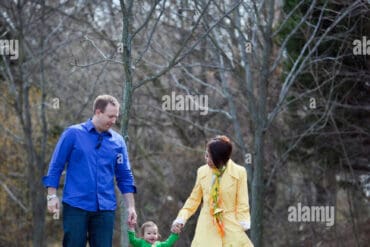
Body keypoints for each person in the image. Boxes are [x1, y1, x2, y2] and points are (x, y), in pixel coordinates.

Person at [42, 94, 137, 247]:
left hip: (105, 208)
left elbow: (125, 176)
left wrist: (130, 206)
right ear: (98, 112)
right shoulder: (73, 134)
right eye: (110, 116)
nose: (114, 121)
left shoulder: (118, 142)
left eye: (116, 117)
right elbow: (56, 166)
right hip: (76, 205)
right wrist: (51, 195)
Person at [171, 135, 253, 247]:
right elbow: (193, 200)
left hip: (230, 225)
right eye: (206, 155)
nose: (207, 160)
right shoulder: (202, 172)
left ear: (221, 158)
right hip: (206, 226)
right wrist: (181, 218)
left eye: (211, 157)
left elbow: (242, 201)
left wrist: (243, 221)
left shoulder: (239, 172)